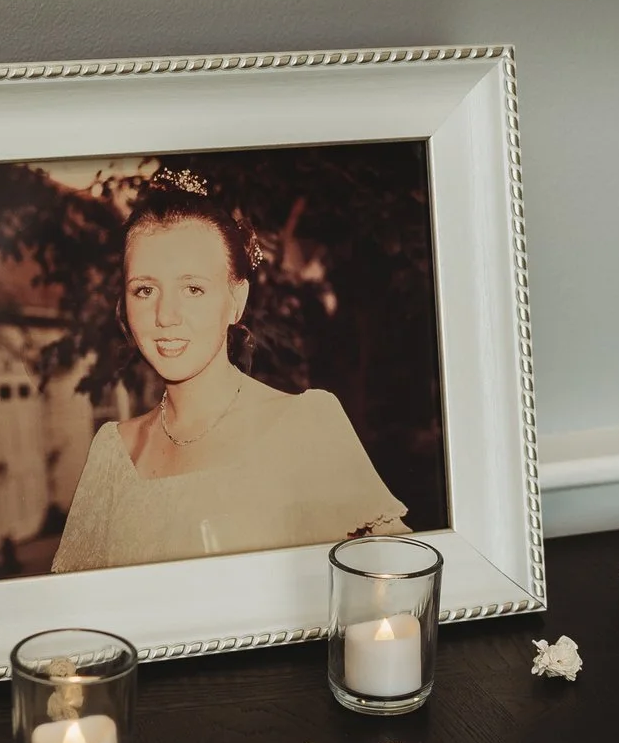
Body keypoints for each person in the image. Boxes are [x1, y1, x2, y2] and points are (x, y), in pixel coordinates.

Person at [51, 168, 406, 572]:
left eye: (193, 288)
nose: (165, 315)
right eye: (144, 290)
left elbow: (400, 590)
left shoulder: (306, 426)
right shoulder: (113, 453)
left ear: (236, 299)